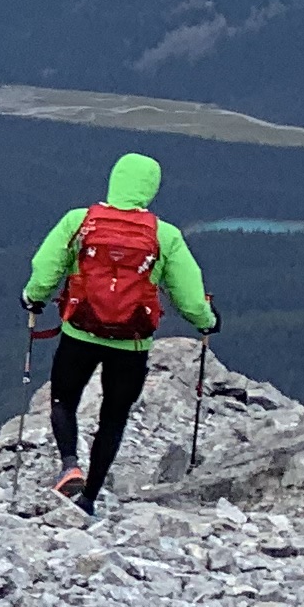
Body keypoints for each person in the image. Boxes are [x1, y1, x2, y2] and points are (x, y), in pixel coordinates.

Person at [20, 150, 217, 515]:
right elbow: (188, 295)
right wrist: (207, 321)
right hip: (132, 341)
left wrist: (33, 299)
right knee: (114, 415)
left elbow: (46, 267)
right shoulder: (165, 235)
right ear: (151, 188)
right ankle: (90, 498)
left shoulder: (79, 221)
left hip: (80, 330)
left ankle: (69, 464)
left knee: (64, 399)